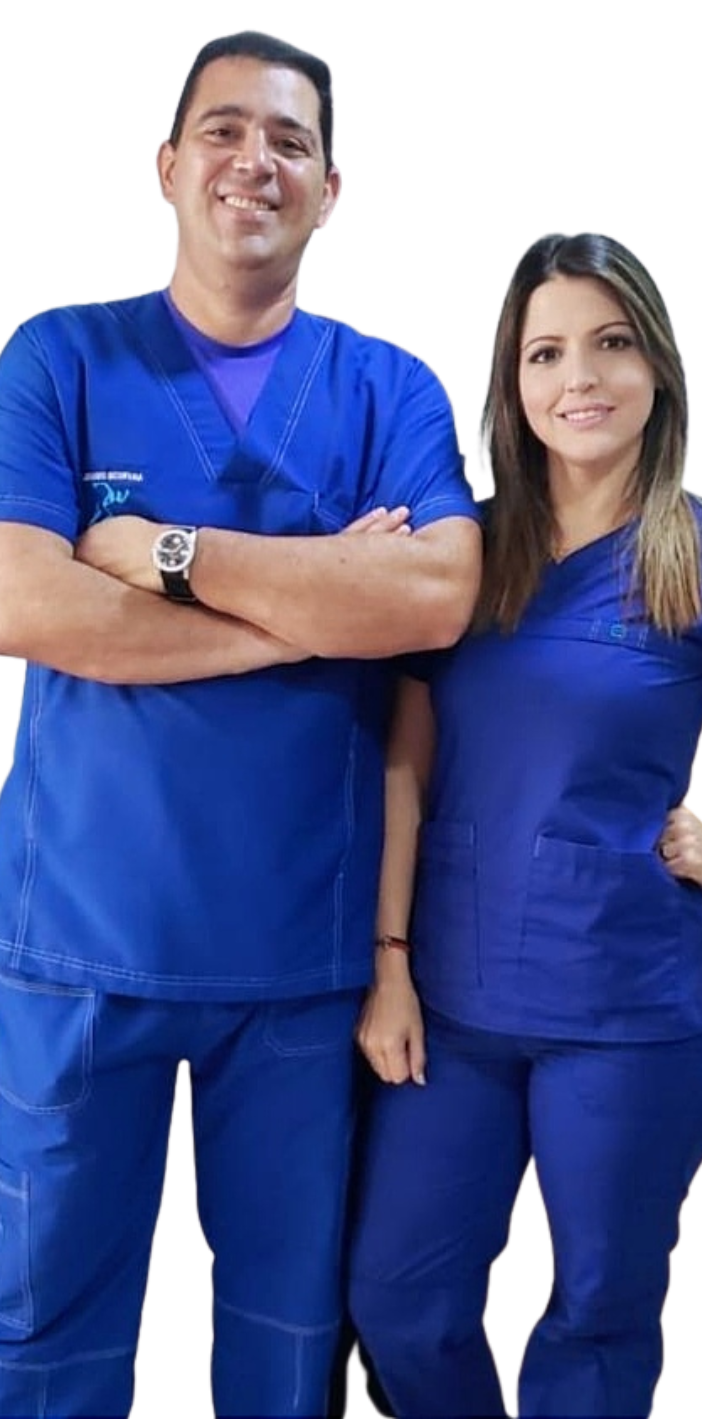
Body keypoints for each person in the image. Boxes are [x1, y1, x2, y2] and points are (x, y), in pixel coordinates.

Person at [0, 28, 481, 1419]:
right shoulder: (59, 357)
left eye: (292, 142)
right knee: (41, 1317)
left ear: (332, 191)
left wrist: (161, 556)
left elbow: (436, 595)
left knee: (282, 1332)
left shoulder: (392, 389)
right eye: (226, 131)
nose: (258, 161)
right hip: (83, 937)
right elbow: (9, 604)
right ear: (168, 167)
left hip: (299, 955)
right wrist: (318, 606)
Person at [348, 230, 702, 1417]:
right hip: (450, 999)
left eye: (612, 343)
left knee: (599, 1314)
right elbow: (403, 760)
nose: (579, 378)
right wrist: (389, 963)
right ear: (512, 380)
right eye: (546, 352)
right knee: (398, 1296)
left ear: (657, 366)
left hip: (623, 1004)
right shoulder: (461, 558)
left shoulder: (690, 556)